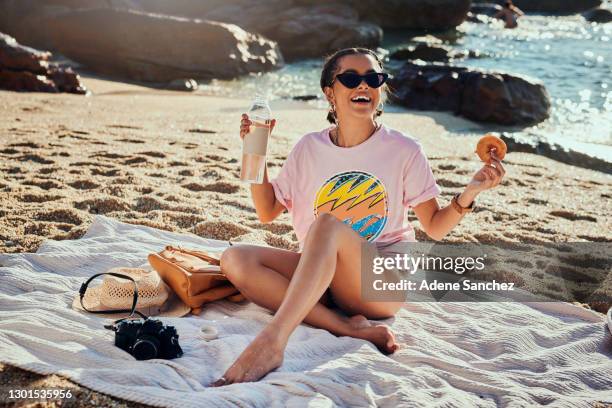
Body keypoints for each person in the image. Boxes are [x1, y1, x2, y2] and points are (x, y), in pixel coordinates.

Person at [212, 47, 506, 386]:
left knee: (327, 224)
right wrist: (255, 151)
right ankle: (344, 326)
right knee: (235, 258)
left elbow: (435, 227)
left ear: (381, 88)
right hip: (323, 277)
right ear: (329, 93)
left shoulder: (404, 149)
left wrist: (469, 193)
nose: (362, 86)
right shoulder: (308, 148)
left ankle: (273, 340)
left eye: (372, 78)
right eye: (350, 79)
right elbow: (267, 210)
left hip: (380, 283)